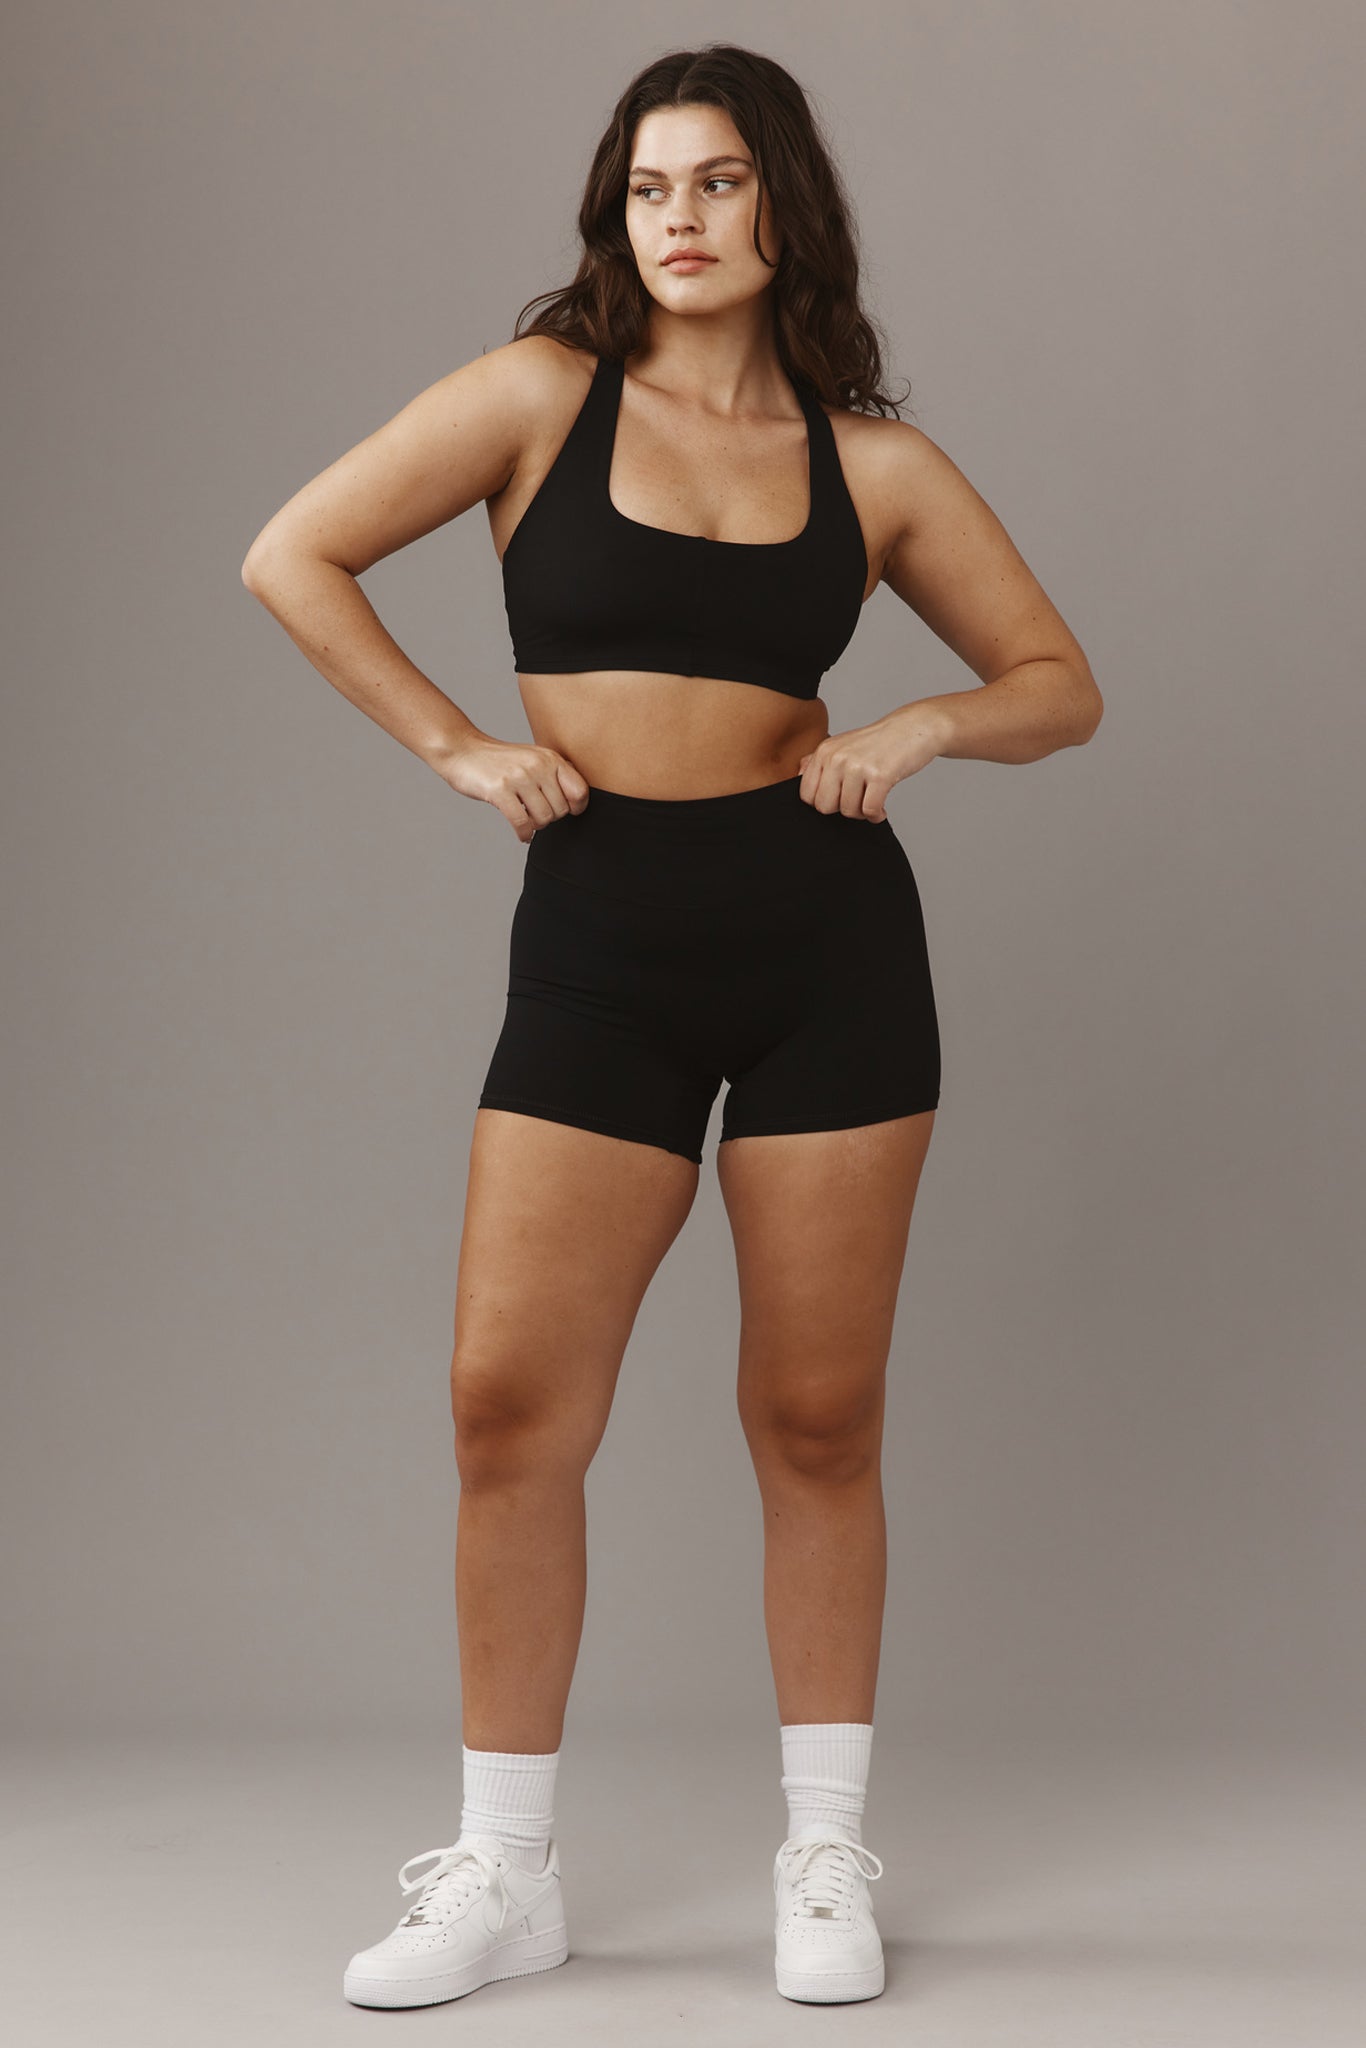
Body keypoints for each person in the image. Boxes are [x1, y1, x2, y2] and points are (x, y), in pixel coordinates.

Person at [242, 41, 1102, 2013]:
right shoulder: (534, 399)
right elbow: (291, 551)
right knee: (503, 1409)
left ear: (777, 202)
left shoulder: (869, 460)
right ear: (612, 216)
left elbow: (1059, 679)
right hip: (604, 938)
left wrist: (925, 721)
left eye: (714, 183)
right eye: (647, 189)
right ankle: (508, 1872)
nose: (680, 219)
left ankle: (819, 1853)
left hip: (824, 940)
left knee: (813, 1415)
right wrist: (456, 746)